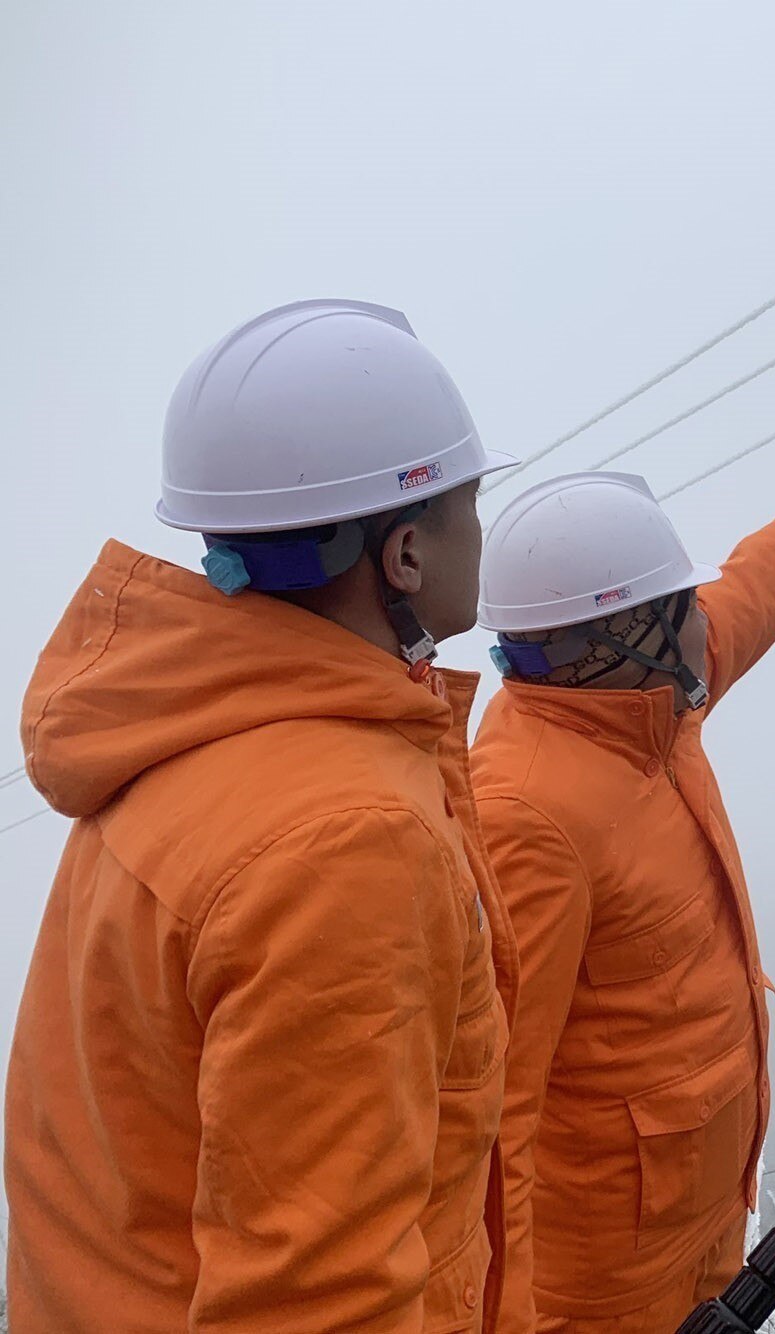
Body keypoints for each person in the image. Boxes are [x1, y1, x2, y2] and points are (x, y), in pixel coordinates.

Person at [6, 299, 528, 1332]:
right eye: (472, 497)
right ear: (406, 554)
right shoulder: (345, 835)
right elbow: (317, 1299)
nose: (484, 523)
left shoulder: (189, 743)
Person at [470, 375, 775, 1333]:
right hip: (597, 1296)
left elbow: (767, 579)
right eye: (677, 600)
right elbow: (487, 1124)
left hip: (699, 1238)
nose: (707, 610)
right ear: (617, 633)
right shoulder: (526, 813)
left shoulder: (652, 700)